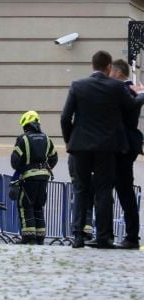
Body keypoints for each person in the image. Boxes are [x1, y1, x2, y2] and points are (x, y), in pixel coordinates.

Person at [60, 50, 143, 249]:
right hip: (106, 147)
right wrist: (141, 95)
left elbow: (65, 117)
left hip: (80, 146)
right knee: (103, 190)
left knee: (80, 189)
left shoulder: (78, 86)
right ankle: (104, 236)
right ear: (108, 68)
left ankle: (78, 236)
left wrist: (70, 142)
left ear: (92, 66)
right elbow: (131, 106)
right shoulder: (115, 87)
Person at [109, 59, 143, 249]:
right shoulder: (131, 89)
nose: (109, 76)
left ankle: (131, 237)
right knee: (123, 191)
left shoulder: (126, 89)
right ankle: (129, 236)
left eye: (111, 72)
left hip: (122, 146)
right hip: (126, 145)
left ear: (118, 73)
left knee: (124, 192)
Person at [11, 111, 58, 245]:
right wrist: (45, 168)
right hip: (43, 177)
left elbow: (14, 161)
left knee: (26, 205)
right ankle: (40, 237)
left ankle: (28, 237)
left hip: (28, 177)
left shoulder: (23, 139)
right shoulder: (47, 138)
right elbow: (54, 157)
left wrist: (22, 170)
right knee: (38, 206)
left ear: (26, 125)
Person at [67, 154, 94, 241]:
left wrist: (73, 179)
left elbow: (71, 167)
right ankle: (88, 232)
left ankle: (79, 232)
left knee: (79, 207)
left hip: (80, 182)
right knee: (89, 208)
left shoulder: (74, 151)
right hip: (92, 181)